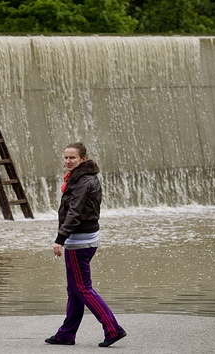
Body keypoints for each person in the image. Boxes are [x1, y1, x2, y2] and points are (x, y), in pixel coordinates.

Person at [45, 142, 127, 348]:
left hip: (79, 241)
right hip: (85, 238)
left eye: (72, 157)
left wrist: (59, 239)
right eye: (65, 157)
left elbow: (74, 212)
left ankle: (113, 329)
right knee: (74, 289)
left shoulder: (83, 181)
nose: (67, 161)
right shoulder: (83, 178)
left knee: (82, 288)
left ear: (82, 158)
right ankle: (66, 334)